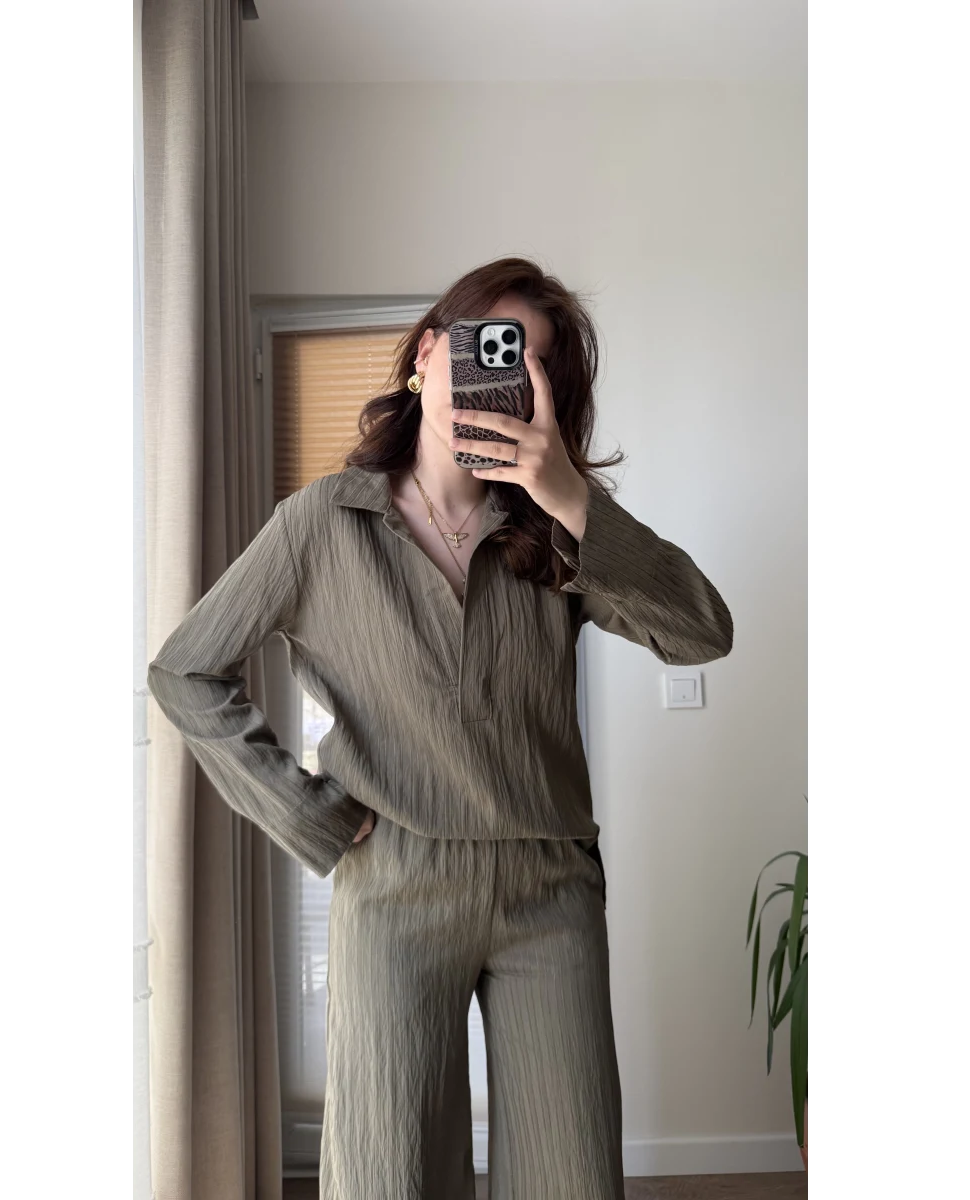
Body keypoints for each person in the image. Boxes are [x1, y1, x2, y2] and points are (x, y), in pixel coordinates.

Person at [147, 257, 733, 1200]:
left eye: (527, 364)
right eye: (485, 346)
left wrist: (572, 497)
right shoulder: (321, 524)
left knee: (571, 1172)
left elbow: (703, 632)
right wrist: (310, 814)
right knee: (387, 1172)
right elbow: (184, 670)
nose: (500, 374)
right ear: (427, 353)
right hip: (395, 884)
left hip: (550, 888)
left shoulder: (553, 531)